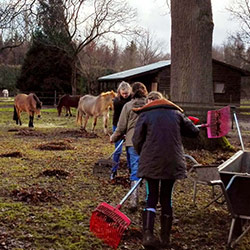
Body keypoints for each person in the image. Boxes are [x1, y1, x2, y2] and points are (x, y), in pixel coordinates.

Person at [132, 91, 200, 248]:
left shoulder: (145, 114)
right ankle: (165, 237)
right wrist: (186, 123)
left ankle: (148, 235)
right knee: (166, 197)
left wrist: (144, 153)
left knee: (151, 195)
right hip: (172, 161)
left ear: (150, 101)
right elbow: (194, 132)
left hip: (151, 162)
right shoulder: (176, 113)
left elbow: (137, 139)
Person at [110, 82, 148, 211]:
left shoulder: (128, 106)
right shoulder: (151, 105)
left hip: (133, 142)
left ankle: (133, 199)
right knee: (148, 168)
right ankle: (148, 198)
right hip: (149, 142)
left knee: (135, 168)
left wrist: (113, 137)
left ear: (132, 92)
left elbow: (120, 127)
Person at [111, 81, 132, 179]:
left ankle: (131, 171)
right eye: (123, 93)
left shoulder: (132, 100)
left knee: (130, 150)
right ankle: (114, 171)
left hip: (130, 127)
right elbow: (119, 118)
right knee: (118, 150)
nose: (125, 95)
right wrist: (120, 132)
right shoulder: (117, 101)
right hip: (118, 126)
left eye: (126, 93)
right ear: (119, 92)